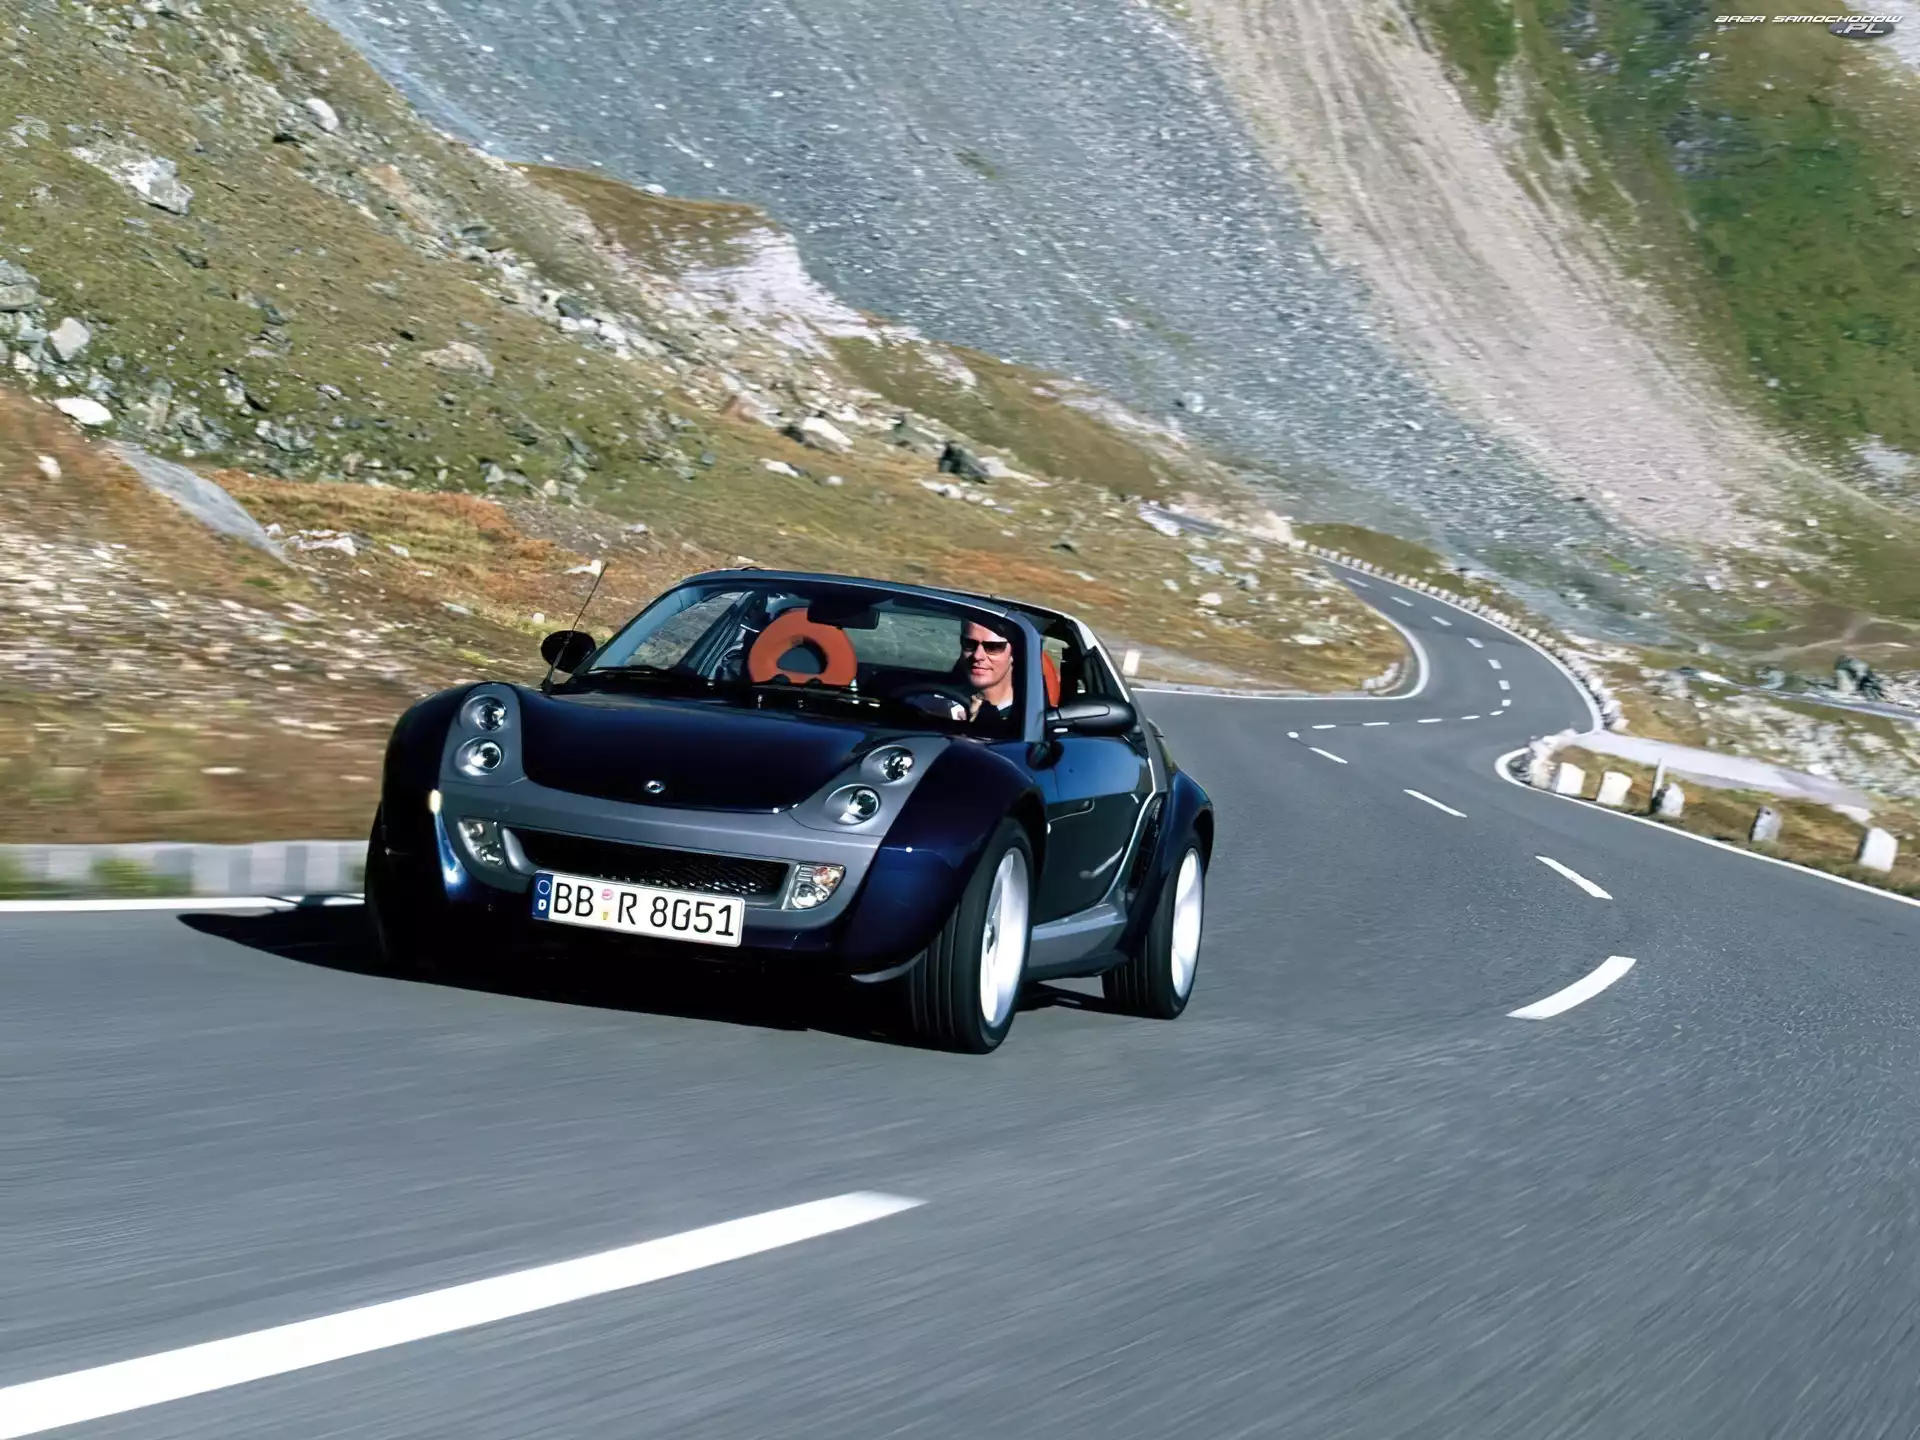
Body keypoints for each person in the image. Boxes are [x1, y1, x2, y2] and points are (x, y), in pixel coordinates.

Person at [961, 617, 1017, 724]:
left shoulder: (1025, 718)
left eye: (993, 647)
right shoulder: (941, 701)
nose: (977, 656)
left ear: (1014, 653)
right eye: (969, 643)